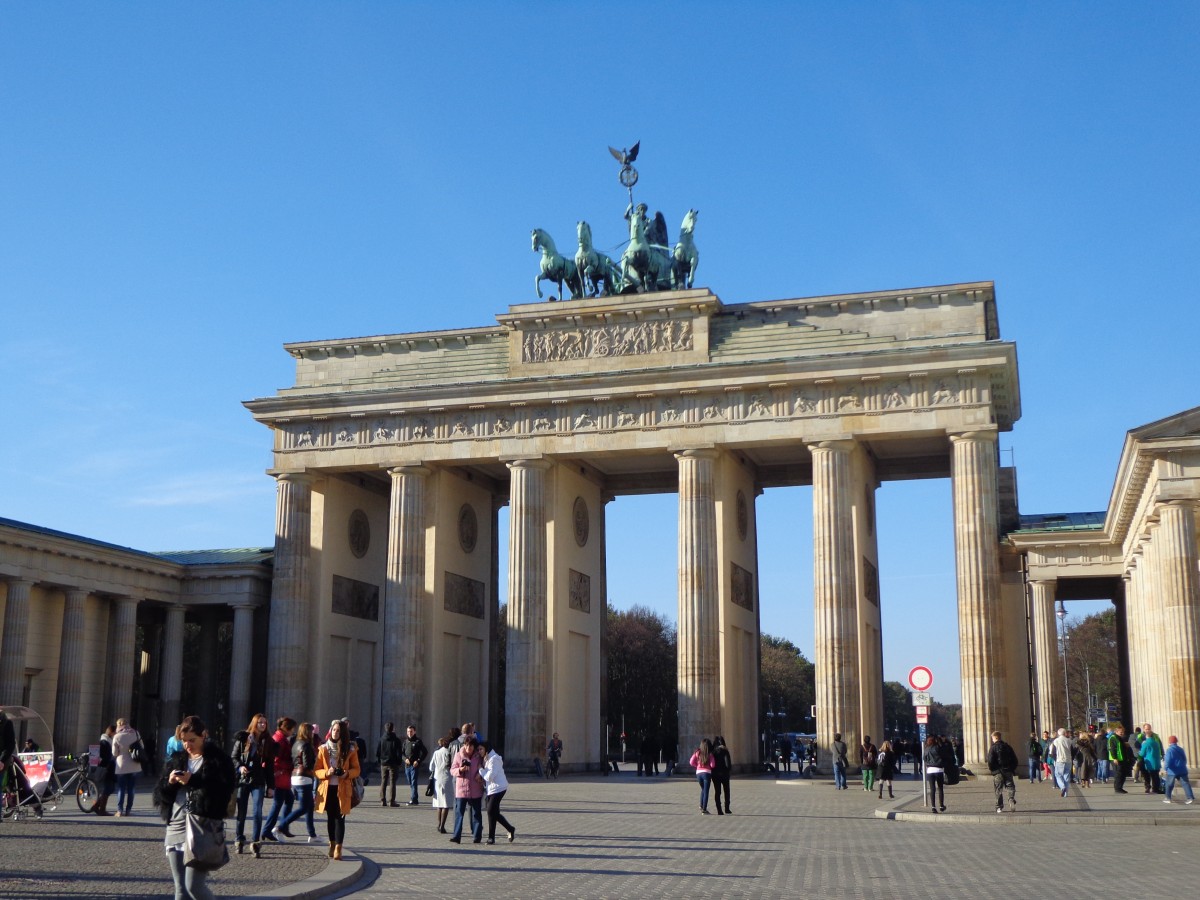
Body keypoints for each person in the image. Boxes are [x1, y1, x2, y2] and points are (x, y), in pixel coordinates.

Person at [153, 715, 236, 900]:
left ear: (203, 736)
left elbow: (224, 791)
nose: (188, 745)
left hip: (202, 827)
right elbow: (161, 795)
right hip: (176, 824)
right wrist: (170, 782)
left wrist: (194, 780)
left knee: (194, 887)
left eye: (192, 740)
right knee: (180, 890)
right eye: (184, 741)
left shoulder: (218, 761)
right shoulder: (177, 759)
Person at [231, 712, 275, 857]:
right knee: (242, 812)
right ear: (254, 723)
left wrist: (271, 786)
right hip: (244, 779)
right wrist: (240, 767)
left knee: (257, 812)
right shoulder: (243, 738)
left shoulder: (268, 741)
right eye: (260, 722)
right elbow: (234, 757)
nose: (263, 725)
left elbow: (269, 766)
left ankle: (255, 843)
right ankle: (239, 839)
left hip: (259, 780)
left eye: (265, 723)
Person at [316, 719, 361, 860]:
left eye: (338, 731)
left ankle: (338, 849)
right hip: (327, 788)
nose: (335, 733)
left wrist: (346, 773)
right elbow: (316, 770)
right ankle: (332, 843)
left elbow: (357, 769)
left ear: (343, 733)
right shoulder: (323, 749)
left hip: (343, 788)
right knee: (330, 818)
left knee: (340, 818)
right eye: (333, 730)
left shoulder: (350, 749)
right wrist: (327, 773)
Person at [263, 717, 296, 842]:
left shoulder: (280, 738)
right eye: (292, 728)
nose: (293, 731)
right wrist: (290, 765)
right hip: (279, 777)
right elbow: (276, 761)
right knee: (277, 804)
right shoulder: (280, 740)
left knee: (288, 800)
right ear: (287, 728)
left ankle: (283, 826)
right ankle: (269, 829)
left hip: (282, 777)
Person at [449, 734, 484, 844]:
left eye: (471, 746)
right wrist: (460, 769)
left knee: (476, 814)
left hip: (475, 789)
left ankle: (477, 836)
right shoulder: (459, 755)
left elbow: (484, 768)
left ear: (474, 747)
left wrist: (480, 774)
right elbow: (452, 770)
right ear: (464, 745)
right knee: (459, 814)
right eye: (467, 745)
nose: (469, 748)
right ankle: (456, 836)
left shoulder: (478, 756)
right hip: (462, 790)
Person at [479, 740, 516, 844]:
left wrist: (480, 770)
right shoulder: (487, 758)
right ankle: (510, 829)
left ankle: (491, 837)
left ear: (486, 749)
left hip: (499, 788)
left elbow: (490, 777)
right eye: (478, 749)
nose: (479, 751)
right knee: (494, 813)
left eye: (481, 749)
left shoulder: (494, 759)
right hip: (491, 789)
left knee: (491, 811)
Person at [112, 717, 143, 817]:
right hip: (134, 764)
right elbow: (142, 747)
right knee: (131, 789)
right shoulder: (136, 733)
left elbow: (114, 753)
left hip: (122, 765)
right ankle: (128, 810)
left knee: (121, 789)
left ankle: (119, 810)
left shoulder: (117, 736)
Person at [987, 731, 1019, 813]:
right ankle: (1011, 799)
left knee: (998, 789)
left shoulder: (993, 748)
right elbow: (1015, 760)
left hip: (998, 772)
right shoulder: (1008, 747)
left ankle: (999, 807)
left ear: (994, 738)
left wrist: (993, 770)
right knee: (1010, 786)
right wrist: (1012, 769)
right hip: (1008, 770)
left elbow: (990, 761)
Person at [429, 734, 453, 833]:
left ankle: (439, 824)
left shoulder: (436, 752)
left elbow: (431, 767)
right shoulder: (449, 753)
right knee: (446, 804)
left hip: (437, 779)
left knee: (439, 803)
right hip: (447, 779)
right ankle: (442, 825)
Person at [1162, 736, 1194, 804]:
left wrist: (1165, 768)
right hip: (1182, 769)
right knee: (1185, 784)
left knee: (1169, 784)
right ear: (1176, 741)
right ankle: (1190, 797)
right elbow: (1184, 759)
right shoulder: (1181, 749)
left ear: (1169, 742)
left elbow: (1167, 760)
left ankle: (1168, 798)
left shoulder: (1169, 750)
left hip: (1172, 770)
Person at [402, 724, 428, 806]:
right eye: (408, 731)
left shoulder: (418, 741)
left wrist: (418, 760)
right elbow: (401, 753)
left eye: (411, 731)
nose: (409, 733)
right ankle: (414, 797)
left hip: (414, 766)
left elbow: (424, 752)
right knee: (410, 781)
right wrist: (404, 759)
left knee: (413, 782)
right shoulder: (405, 742)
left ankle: (414, 799)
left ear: (414, 732)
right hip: (407, 765)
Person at [377, 723, 402, 807]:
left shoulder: (382, 739)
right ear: (393, 729)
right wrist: (399, 763)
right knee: (392, 782)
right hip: (393, 763)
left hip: (383, 763)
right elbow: (399, 753)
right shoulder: (396, 740)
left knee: (383, 781)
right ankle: (391, 801)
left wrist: (379, 761)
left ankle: (382, 800)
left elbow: (378, 751)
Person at [95, 723, 116, 816]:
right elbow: (103, 756)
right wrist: (110, 760)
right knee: (108, 788)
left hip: (110, 767)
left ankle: (96, 807)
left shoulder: (108, 741)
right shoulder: (104, 742)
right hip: (106, 768)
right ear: (112, 732)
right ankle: (101, 809)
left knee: (110, 788)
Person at [689, 738, 714, 814]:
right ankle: (704, 809)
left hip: (698, 773)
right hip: (707, 773)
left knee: (703, 789)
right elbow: (713, 765)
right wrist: (709, 765)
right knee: (706, 791)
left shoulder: (697, 753)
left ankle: (701, 805)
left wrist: (697, 765)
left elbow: (691, 762)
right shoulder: (710, 754)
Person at [1139, 723, 1164, 795]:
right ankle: (1149, 787)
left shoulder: (1154, 737)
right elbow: (1136, 745)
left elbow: (1160, 745)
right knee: (1150, 775)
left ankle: (1155, 789)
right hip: (1149, 759)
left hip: (1149, 759)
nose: (1148, 730)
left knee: (1154, 774)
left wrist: (1162, 753)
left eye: (1149, 729)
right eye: (1146, 729)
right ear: (1143, 729)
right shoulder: (1140, 736)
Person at [711, 736, 733, 814]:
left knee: (717, 792)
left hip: (715, 774)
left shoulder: (712, 752)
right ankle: (727, 808)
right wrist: (728, 770)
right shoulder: (725, 751)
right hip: (724, 774)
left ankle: (719, 810)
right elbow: (728, 764)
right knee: (726, 791)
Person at [1108, 724, 1133, 794]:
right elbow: (1112, 748)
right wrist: (1114, 758)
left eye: (1123, 732)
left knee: (1123, 773)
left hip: (1122, 758)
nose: (1122, 733)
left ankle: (1120, 787)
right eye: (1120, 732)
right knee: (1118, 773)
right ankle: (1117, 788)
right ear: (1116, 731)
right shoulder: (1113, 738)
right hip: (1116, 759)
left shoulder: (1120, 738)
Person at [923, 736, 945, 813]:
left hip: (930, 770)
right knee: (940, 788)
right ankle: (941, 806)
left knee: (932, 789)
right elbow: (943, 756)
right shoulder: (938, 747)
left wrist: (928, 764)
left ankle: (933, 807)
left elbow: (924, 758)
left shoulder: (926, 749)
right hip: (938, 769)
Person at [1050, 728, 1073, 797]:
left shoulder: (1055, 741)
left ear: (1058, 733)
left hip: (1059, 760)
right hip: (1068, 760)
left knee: (1058, 775)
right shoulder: (1069, 741)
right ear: (1065, 733)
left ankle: (1062, 787)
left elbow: (1052, 752)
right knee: (1066, 776)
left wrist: (1055, 759)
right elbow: (1073, 751)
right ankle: (1066, 793)